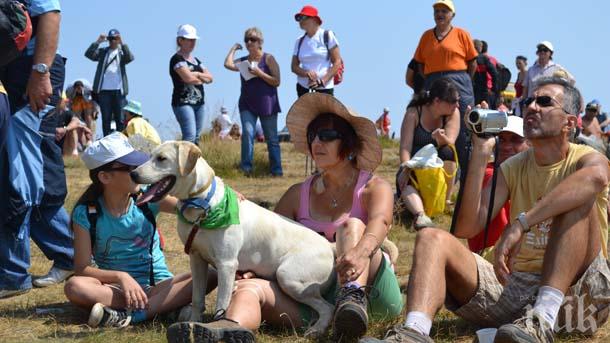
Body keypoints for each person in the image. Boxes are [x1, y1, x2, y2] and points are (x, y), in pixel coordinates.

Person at [362, 76, 610, 343]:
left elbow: (596, 178)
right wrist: (480, 152)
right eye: (528, 101)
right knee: (430, 237)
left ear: (570, 122)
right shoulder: (514, 166)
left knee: (578, 198)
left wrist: (521, 223)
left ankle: (542, 321)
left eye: (544, 101)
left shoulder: (587, 158)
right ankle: (414, 332)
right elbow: (467, 228)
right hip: (516, 288)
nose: (531, 107)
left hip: (577, 296)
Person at [172, 93, 403, 342]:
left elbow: (380, 223)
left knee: (352, 226)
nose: (316, 142)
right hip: (312, 294)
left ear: (348, 144)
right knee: (249, 288)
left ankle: (351, 298)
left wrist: (358, 254)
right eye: (312, 136)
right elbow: (270, 241)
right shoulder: (297, 194)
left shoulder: (374, 188)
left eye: (326, 136)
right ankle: (227, 327)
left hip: (371, 292)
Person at [63, 133, 217, 327]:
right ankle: (165, 309)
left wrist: (223, 196)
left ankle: (132, 314)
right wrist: (121, 277)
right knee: (74, 286)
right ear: (105, 176)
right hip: (116, 290)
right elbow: (82, 268)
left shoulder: (148, 199)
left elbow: (192, 206)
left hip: (158, 287)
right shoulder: (86, 213)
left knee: (212, 274)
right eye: (131, 168)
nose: (141, 171)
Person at [0, 0, 75, 298]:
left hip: (33, 72)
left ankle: (13, 273)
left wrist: (41, 72)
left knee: (18, 174)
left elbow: (51, 14)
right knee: (36, 171)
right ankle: (70, 253)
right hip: (16, 74)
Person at [396, 78, 460, 229]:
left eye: (458, 100)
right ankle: (420, 216)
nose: (457, 105)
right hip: (416, 168)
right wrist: (406, 168)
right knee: (405, 178)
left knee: (448, 152)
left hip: (438, 171)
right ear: (437, 101)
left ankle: (444, 202)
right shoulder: (414, 113)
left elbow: (451, 142)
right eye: (453, 101)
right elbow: (405, 148)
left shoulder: (453, 113)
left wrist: (441, 139)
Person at [224, 27, 283, 176]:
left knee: (272, 139)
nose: (249, 42)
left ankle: (276, 171)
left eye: (253, 39)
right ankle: (246, 169)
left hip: (267, 104)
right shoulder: (243, 61)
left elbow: (277, 81)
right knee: (248, 134)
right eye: (247, 40)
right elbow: (227, 64)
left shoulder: (268, 59)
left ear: (260, 42)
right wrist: (233, 49)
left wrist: (259, 73)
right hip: (247, 104)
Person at [466, 116, 528, 253]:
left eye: (516, 140)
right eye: (501, 140)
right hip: (491, 253)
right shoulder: (488, 173)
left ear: (529, 143)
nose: (506, 146)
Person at [85, 29, 134, 137]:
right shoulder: (103, 52)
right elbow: (88, 54)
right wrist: (98, 41)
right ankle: (107, 141)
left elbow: (130, 58)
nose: (113, 41)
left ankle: (121, 141)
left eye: (115, 39)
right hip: (104, 91)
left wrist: (123, 43)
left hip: (119, 90)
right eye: (110, 39)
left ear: (118, 39)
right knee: (106, 118)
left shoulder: (122, 52)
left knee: (120, 118)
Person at [170, 24, 213, 144]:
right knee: (190, 136)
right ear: (180, 40)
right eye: (189, 40)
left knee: (196, 138)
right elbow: (188, 79)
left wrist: (197, 74)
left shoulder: (197, 61)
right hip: (183, 103)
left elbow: (210, 78)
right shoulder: (177, 59)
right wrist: (198, 76)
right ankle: (184, 163)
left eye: (194, 40)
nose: (192, 43)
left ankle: (194, 163)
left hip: (199, 103)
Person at [291, 5, 343, 97]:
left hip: (325, 88)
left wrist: (323, 81)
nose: (300, 21)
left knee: (326, 112)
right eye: (298, 18)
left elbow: (337, 62)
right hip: (303, 88)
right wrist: (306, 73)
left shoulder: (327, 35)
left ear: (314, 19)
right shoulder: (299, 41)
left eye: (303, 17)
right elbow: (294, 66)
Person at [473, 39, 499, 108]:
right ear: (480, 48)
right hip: (483, 90)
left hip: (472, 89)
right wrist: (494, 89)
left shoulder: (468, 58)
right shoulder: (484, 58)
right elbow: (495, 73)